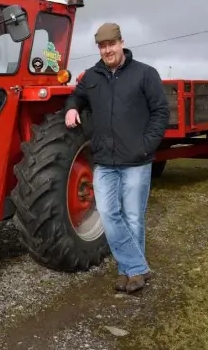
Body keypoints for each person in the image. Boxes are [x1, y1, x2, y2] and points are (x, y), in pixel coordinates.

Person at [64, 23, 169, 293]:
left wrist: (145, 146)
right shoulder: (92, 77)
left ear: (122, 43)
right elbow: (76, 96)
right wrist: (72, 108)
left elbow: (160, 112)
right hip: (105, 161)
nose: (107, 50)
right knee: (109, 214)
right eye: (102, 46)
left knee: (133, 217)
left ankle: (128, 271)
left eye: (111, 44)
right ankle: (136, 268)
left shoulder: (145, 74)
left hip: (136, 160)